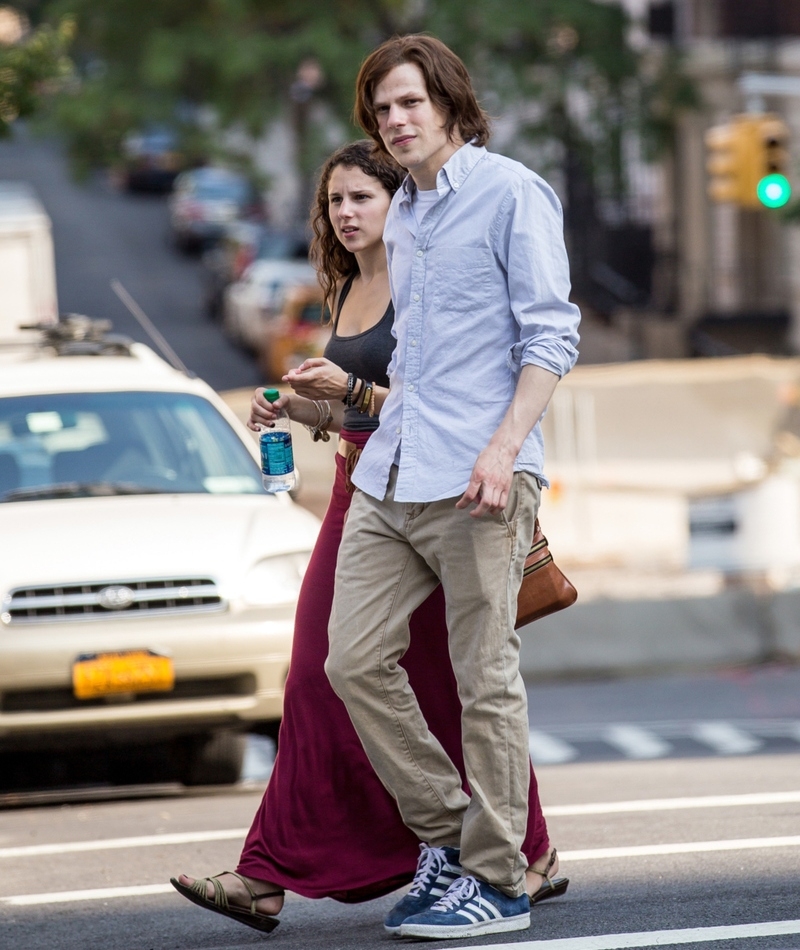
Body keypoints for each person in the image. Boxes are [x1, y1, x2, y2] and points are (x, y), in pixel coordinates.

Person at [171, 140, 565, 935]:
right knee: (330, 673)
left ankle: (516, 856)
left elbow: (437, 400)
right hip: (366, 489)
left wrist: (351, 389)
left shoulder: (427, 279)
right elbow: (350, 412)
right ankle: (328, 858)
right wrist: (295, 407)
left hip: (439, 483)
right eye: (335, 202)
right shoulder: (346, 286)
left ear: (401, 204)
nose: (346, 214)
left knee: (465, 678)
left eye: (362, 198)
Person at [324, 36, 581, 941]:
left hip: (481, 475)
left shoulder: (511, 193)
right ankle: (450, 839)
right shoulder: (406, 217)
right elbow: (413, 361)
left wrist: (505, 448)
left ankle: (501, 882)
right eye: (382, 110)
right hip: (393, 471)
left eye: (409, 103)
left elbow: (551, 334)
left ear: (449, 103)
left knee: (486, 680)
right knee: (349, 661)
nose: (395, 122)